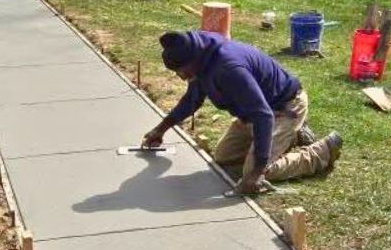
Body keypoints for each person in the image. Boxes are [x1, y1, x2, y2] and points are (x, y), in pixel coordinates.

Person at [143, 30, 342, 194]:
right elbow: (192, 100)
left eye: (182, 70)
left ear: (193, 59)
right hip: (253, 113)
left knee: (256, 172)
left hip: (283, 108)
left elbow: (263, 115)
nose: (181, 76)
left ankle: (322, 152)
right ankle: (292, 135)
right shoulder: (200, 57)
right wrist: (161, 129)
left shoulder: (228, 67)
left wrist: (256, 172)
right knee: (223, 157)